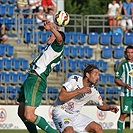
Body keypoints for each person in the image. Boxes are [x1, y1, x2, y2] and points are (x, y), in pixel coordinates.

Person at [17, 20, 65, 133]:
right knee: (21, 113)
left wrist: (53, 28)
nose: (49, 36)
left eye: (52, 35)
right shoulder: (49, 49)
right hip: (31, 78)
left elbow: (60, 39)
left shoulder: (57, 47)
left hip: (37, 79)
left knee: (29, 115)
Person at [52, 64, 119, 133]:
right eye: (95, 74)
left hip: (75, 115)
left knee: (98, 128)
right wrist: (79, 91)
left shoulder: (93, 90)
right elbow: (61, 97)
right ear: (87, 74)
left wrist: (110, 108)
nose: (98, 77)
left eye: (98, 75)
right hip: (61, 112)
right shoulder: (74, 79)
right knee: (69, 131)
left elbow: (101, 105)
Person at [114, 45, 133, 133]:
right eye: (128, 52)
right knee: (124, 114)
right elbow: (116, 79)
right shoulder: (122, 64)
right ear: (125, 53)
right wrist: (125, 85)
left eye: (132, 52)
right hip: (126, 94)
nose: (130, 54)